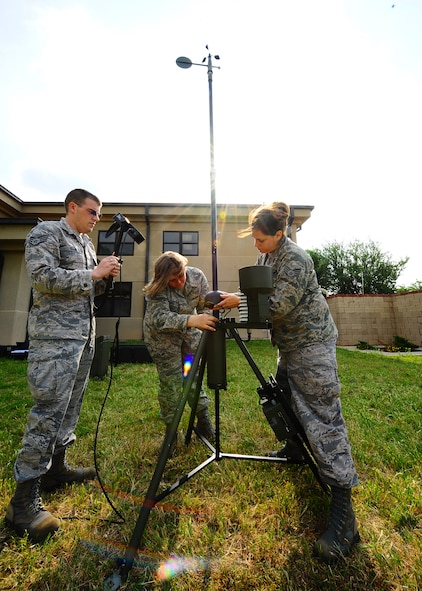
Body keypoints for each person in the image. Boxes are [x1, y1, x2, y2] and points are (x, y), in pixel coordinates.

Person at [218, 201, 360, 563]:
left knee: (324, 419)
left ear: (280, 234)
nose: (256, 244)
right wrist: (234, 297)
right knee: (282, 398)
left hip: (311, 346)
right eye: (254, 237)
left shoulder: (295, 258)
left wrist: (237, 301)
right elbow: (259, 292)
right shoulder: (269, 258)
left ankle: (345, 514)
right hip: (291, 345)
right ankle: (296, 448)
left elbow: (277, 306)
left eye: (261, 239)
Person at [5, 188, 121, 542]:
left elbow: (86, 290)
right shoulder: (46, 233)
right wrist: (94, 275)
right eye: (92, 212)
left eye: (99, 214)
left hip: (83, 338)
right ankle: (22, 502)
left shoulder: (86, 245)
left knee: (70, 408)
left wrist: (104, 279)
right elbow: (43, 278)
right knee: (48, 412)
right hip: (55, 340)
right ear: (72, 207)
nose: (96, 219)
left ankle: (56, 469)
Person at [143, 251, 218, 453]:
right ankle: (171, 434)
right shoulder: (156, 288)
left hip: (189, 338)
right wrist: (191, 320)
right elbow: (159, 318)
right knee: (171, 383)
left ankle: (203, 423)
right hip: (163, 339)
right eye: (173, 280)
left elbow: (206, 306)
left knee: (191, 376)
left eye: (181, 276)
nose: (179, 282)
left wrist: (206, 319)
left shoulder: (197, 277)